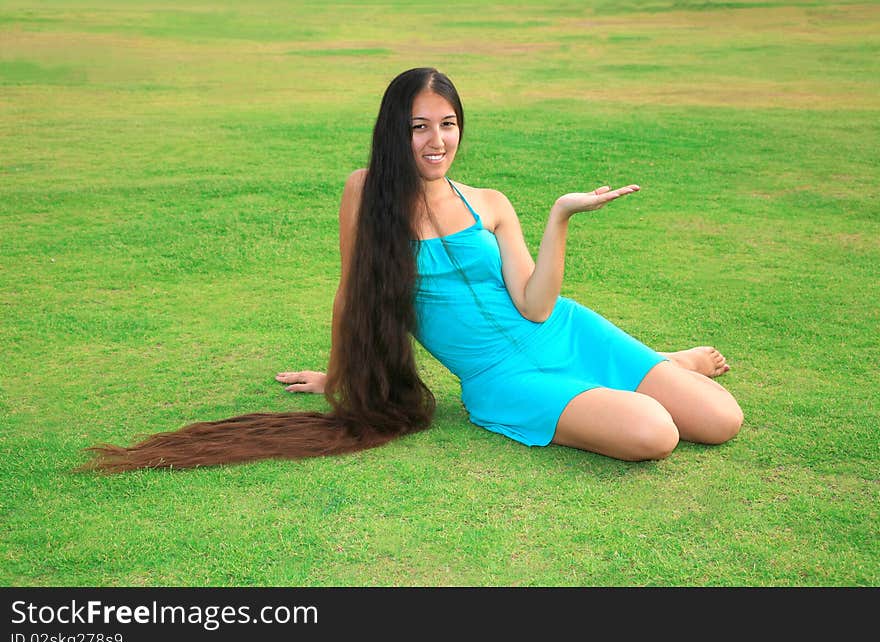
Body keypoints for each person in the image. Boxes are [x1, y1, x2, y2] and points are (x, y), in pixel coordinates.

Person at [80, 67, 742, 473]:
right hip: (502, 376)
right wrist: (340, 373)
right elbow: (351, 293)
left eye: (447, 124)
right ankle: (653, 368)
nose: (436, 140)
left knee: (722, 421)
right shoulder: (365, 194)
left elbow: (537, 305)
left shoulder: (491, 203)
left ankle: (662, 361)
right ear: (395, 131)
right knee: (656, 432)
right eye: (419, 126)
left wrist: (560, 216)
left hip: (566, 332)